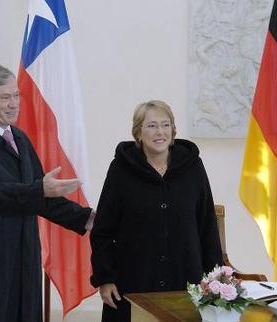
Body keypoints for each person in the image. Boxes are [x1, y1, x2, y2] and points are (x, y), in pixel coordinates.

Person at [0, 61, 95, 322]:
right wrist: (39, 190)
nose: (14, 103)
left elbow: (40, 198)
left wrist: (88, 218)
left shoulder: (20, 139)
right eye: (4, 97)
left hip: (23, 259)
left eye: (16, 95)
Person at [90, 100, 224, 322]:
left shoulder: (193, 167)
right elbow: (103, 230)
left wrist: (215, 279)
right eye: (151, 126)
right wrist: (104, 278)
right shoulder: (120, 169)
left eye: (165, 125)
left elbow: (207, 226)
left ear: (173, 130)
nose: (160, 132)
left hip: (186, 284)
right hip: (133, 283)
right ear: (138, 133)